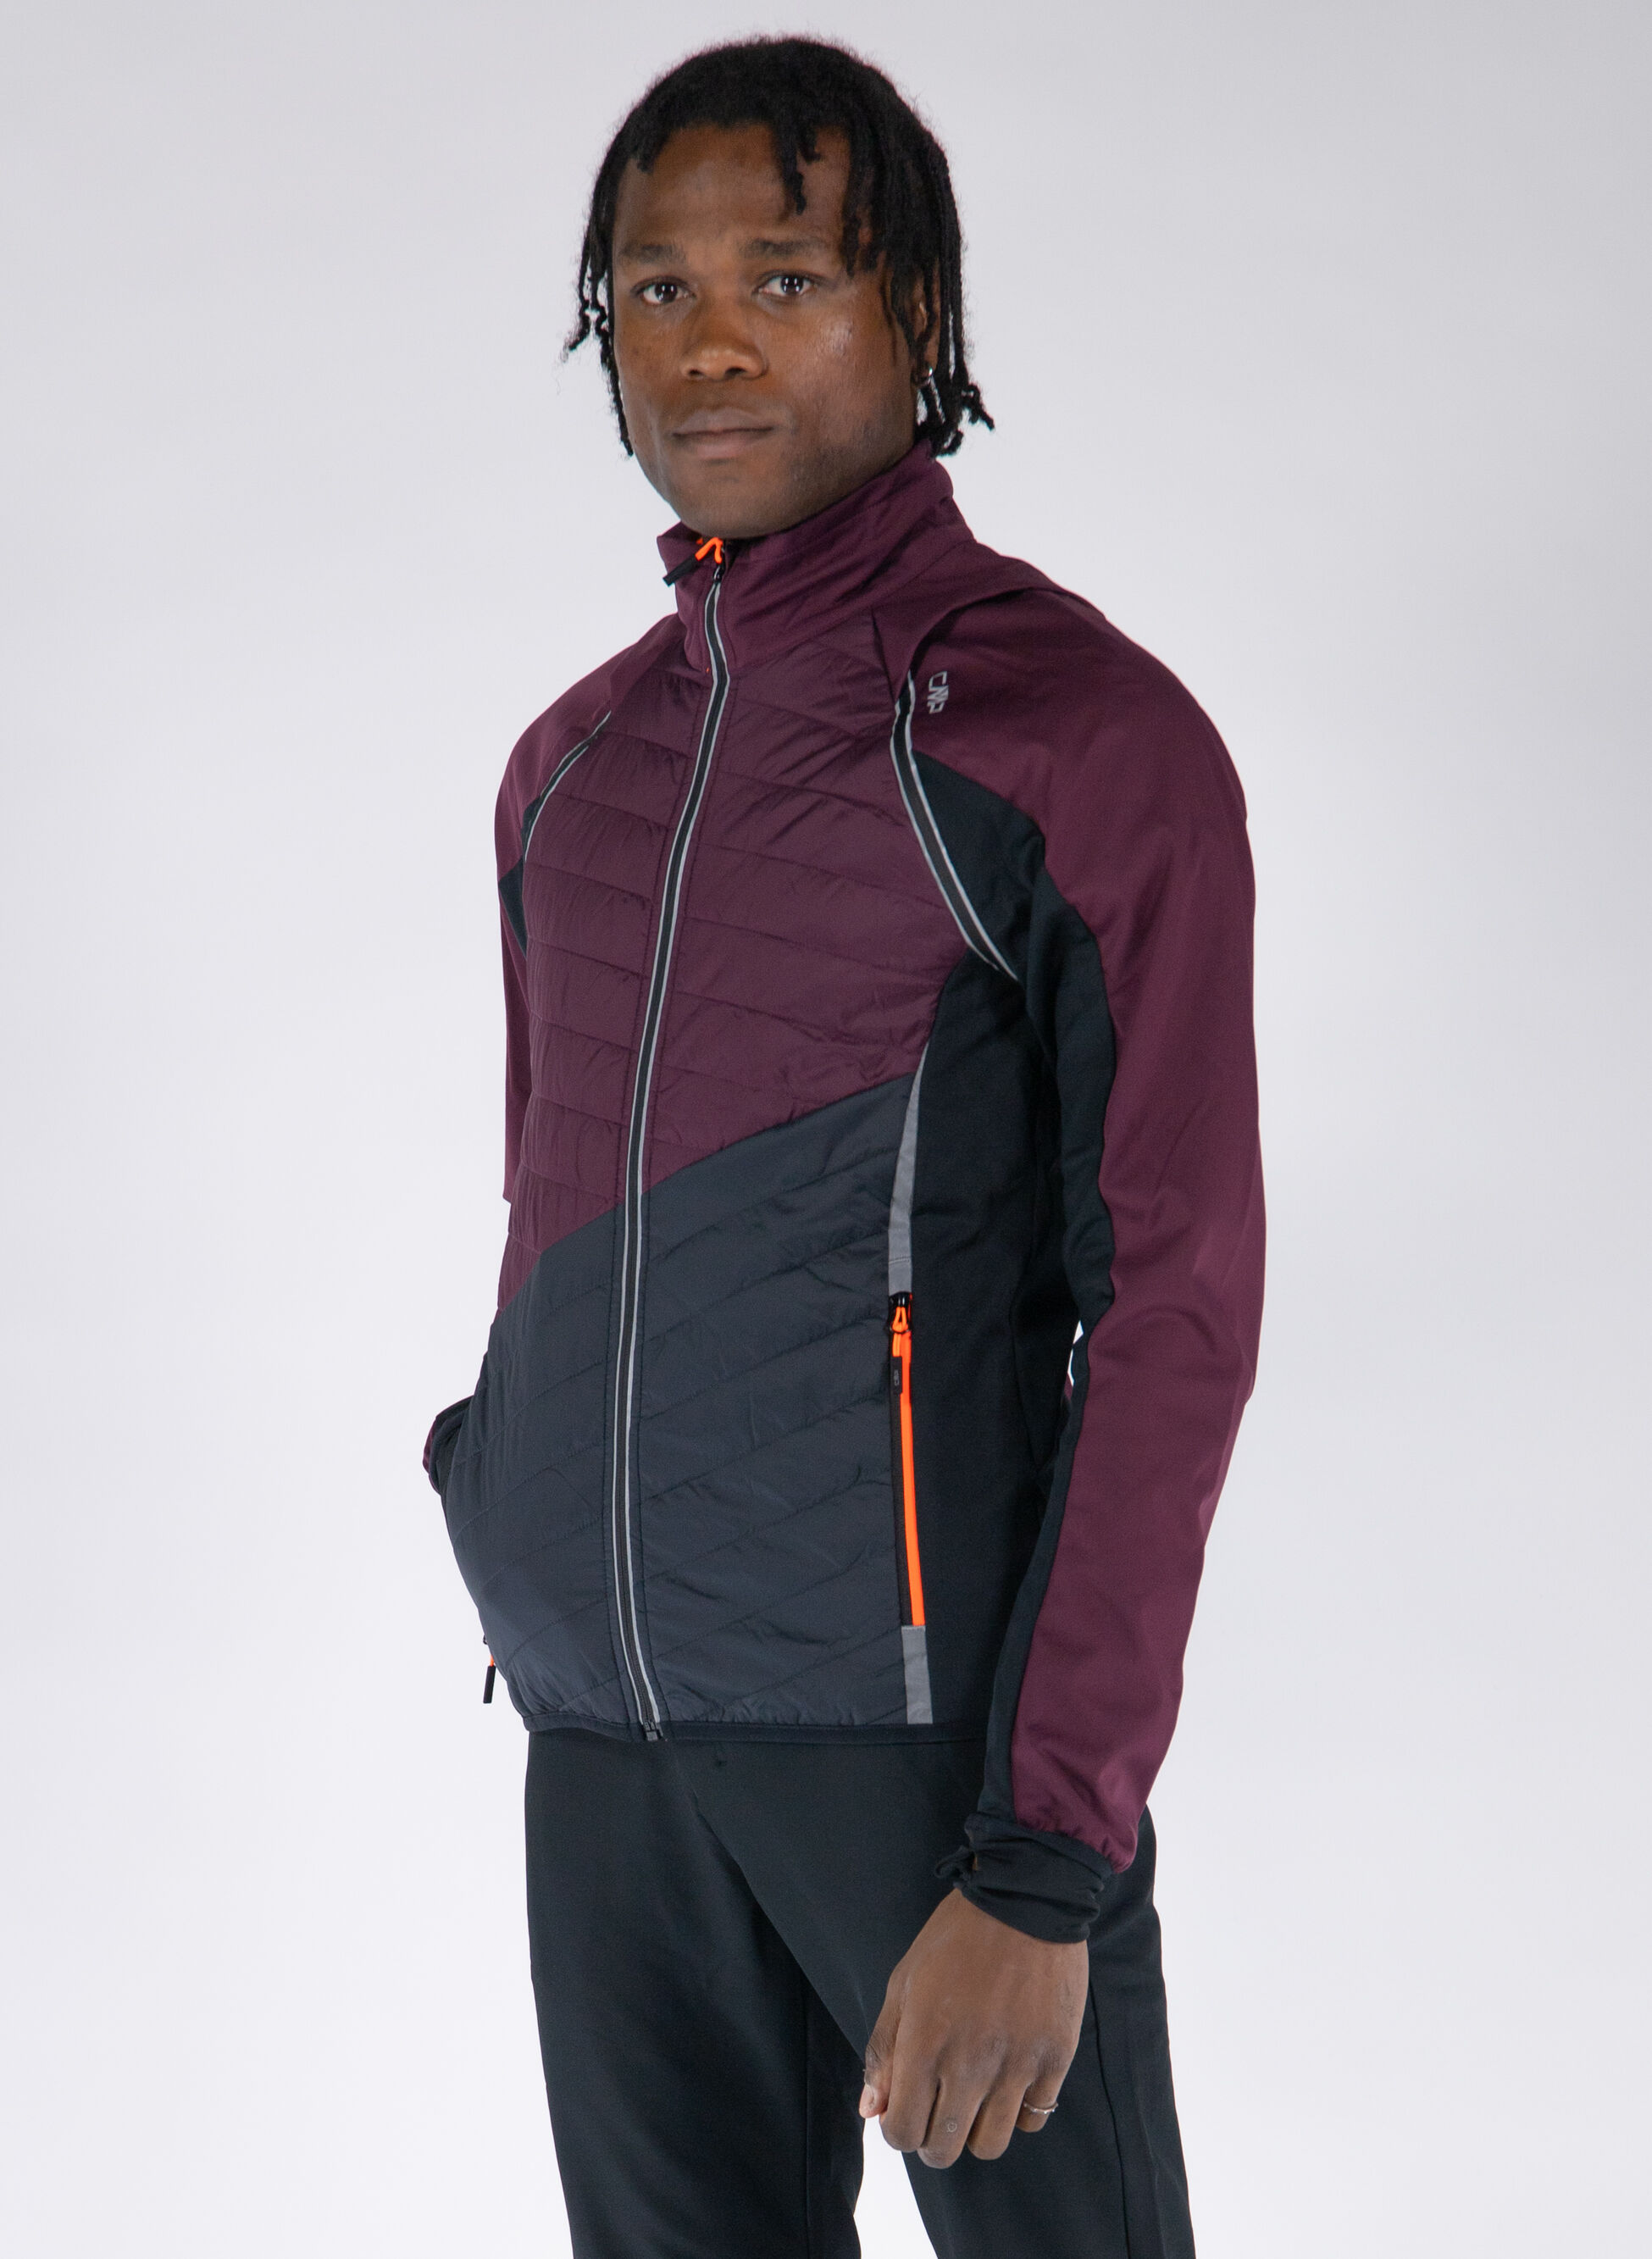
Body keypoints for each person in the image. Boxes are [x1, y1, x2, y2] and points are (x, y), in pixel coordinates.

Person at [424, 36, 1263, 2259]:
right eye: (656, 287)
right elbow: (543, 1208)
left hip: (931, 1760)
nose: (708, 340)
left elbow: (1175, 1310)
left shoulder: (1077, 744)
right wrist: (500, 1482)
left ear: (920, 311)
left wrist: (1048, 1854)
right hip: (609, 1749)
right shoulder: (569, 771)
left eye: (783, 277)